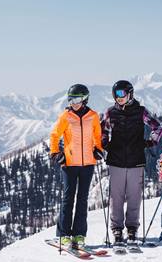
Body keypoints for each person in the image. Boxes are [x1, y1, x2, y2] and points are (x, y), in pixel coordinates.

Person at [101, 80, 162, 247]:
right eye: (115, 94)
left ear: (130, 94)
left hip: (136, 160)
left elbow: (158, 127)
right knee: (116, 197)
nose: (118, 98)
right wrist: (106, 144)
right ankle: (117, 229)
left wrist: (150, 142)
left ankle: (132, 228)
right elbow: (102, 131)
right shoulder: (110, 112)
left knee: (134, 196)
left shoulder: (140, 111)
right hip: (116, 160)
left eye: (121, 94)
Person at [49, 84, 104, 248]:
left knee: (82, 200)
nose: (74, 102)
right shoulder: (66, 116)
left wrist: (98, 149)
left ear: (85, 99)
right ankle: (64, 235)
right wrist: (55, 153)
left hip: (88, 164)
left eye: (78, 99)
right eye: (71, 99)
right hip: (69, 164)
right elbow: (54, 135)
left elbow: (98, 136)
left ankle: (79, 235)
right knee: (68, 199)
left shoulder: (93, 116)